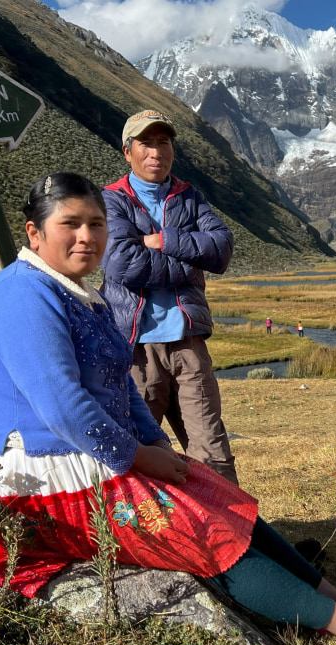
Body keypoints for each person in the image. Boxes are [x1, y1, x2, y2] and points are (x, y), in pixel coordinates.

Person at [0, 172, 336, 645]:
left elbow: (121, 386)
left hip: (97, 461)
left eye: (95, 223)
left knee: (224, 501)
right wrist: (138, 458)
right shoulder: (22, 294)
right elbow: (63, 408)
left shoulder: (80, 293)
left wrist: (158, 446)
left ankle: (335, 596)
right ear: (34, 233)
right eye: (70, 224)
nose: (86, 236)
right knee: (202, 535)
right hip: (46, 480)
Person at [100, 110, 238, 485]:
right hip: (135, 350)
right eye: (146, 143)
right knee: (135, 451)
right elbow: (123, 264)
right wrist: (191, 264)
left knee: (211, 450)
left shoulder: (190, 196)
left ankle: (231, 539)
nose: (156, 152)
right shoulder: (111, 200)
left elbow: (222, 249)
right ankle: (143, 537)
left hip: (188, 343)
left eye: (163, 142)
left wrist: (166, 241)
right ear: (127, 152)